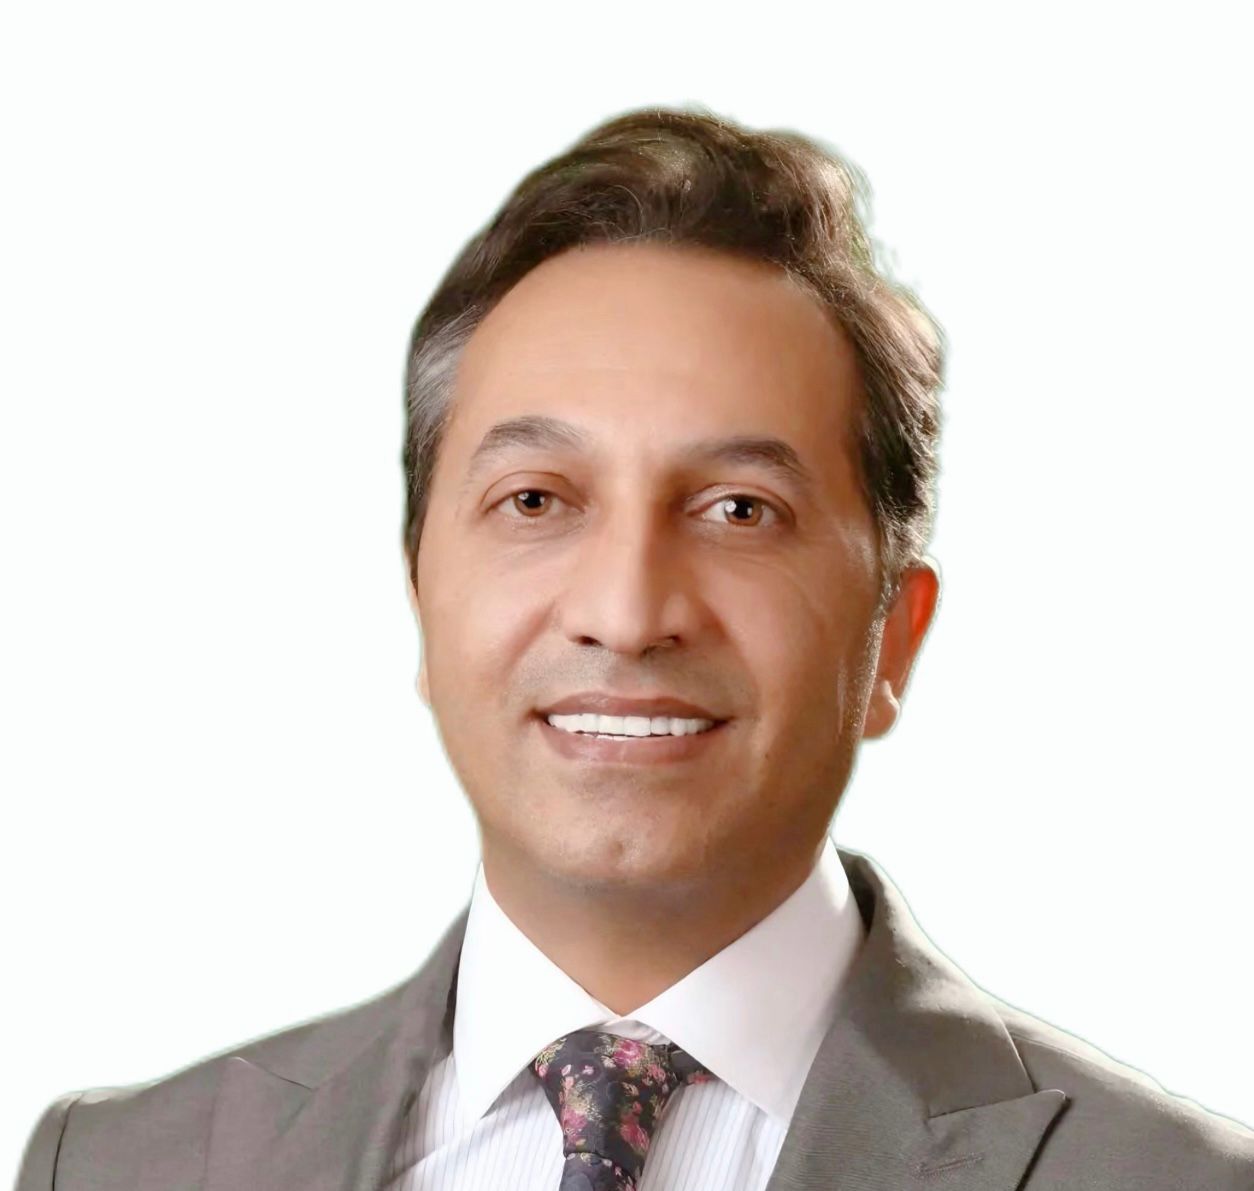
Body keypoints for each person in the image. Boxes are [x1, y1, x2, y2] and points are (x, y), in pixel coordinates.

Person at [17, 105, 1253, 1191]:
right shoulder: (119, 1168)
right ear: (422, 598)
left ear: (894, 636)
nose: (626, 610)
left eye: (739, 510)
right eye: (536, 500)